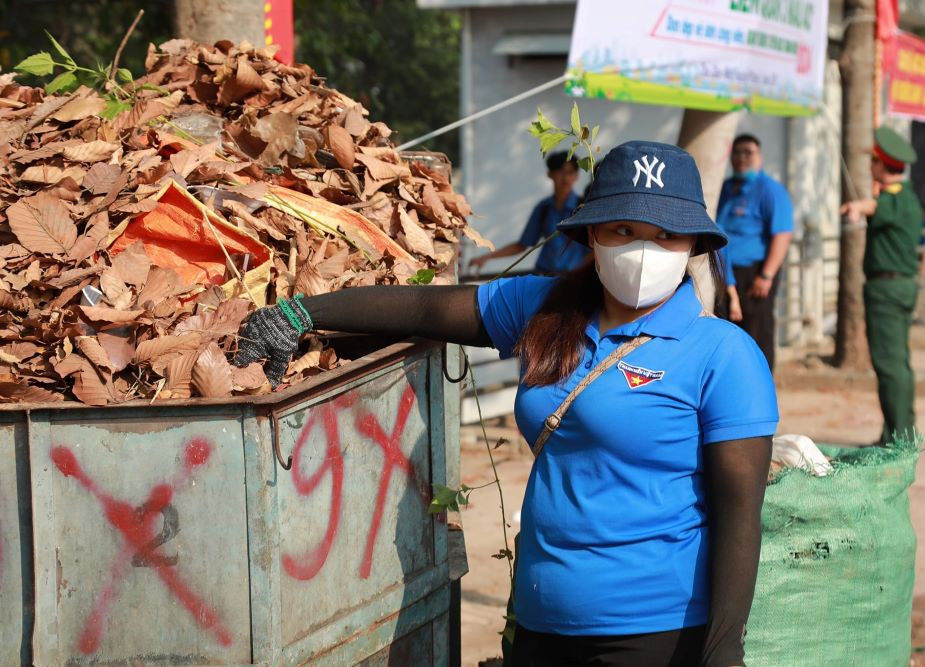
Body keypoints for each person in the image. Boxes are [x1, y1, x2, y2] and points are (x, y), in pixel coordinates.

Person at [235, 141, 778, 666]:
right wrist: (302, 314)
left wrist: (723, 651)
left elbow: (739, 517)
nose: (642, 251)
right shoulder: (544, 308)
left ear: (694, 246)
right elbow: (425, 308)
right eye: (625, 230)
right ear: (592, 234)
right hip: (539, 620)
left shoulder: (724, 355)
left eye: (665, 236)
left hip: (656, 632)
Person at [841, 126, 922, 446]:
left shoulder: (896, 198)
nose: (871, 165)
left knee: (889, 365)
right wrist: (865, 203)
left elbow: (876, 207)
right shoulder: (901, 197)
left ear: (883, 165)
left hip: (887, 290)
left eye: (874, 160)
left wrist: (859, 207)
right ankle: (899, 431)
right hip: (896, 288)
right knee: (897, 363)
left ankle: (899, 436)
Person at [715, 134, 794, 369]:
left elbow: (782, 234)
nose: (741, 158)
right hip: (725, 274)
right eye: (737, 153)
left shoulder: (770, 190)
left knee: (757, 332)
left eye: (748, 152)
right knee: (725, 332)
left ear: (759, 156)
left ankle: (761, 383)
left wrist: (767, 275)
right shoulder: (726, 188)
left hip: (755, 274)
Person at [468, 151, 590, 275]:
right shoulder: (544, 208)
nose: (565, 178)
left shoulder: (584, 207)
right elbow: (522, 244)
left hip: (574, 278)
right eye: (560, 172)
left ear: (577, 176)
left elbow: (595, 249)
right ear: (550, 174)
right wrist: (486, 257)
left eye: (570, 172)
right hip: (544, 276)